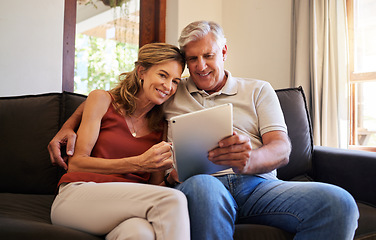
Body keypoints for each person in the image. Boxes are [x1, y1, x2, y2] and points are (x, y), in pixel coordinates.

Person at [49, 21, 359, 239]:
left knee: (339, 203)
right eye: (192, 59)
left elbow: (281, 148)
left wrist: (247, 161)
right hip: (202, 185)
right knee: (202, 188)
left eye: (208, 56)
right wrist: (68, 125)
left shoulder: (258, 90)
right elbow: (116, 98)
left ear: (224, 52)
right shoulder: (171, 90)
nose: (200, 66)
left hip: (259, 186)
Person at [50, 43, 190, 240]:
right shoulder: (103, 101)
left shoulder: (162, 126)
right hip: (79, 196)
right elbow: (76, 164)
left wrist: (173, 178)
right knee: (173, 200)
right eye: (162, 75)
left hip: (127, 207)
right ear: (142, 71)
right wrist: (139, 162)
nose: (168, 87)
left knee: (140, 234)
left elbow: (157, 186)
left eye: (175, 81)